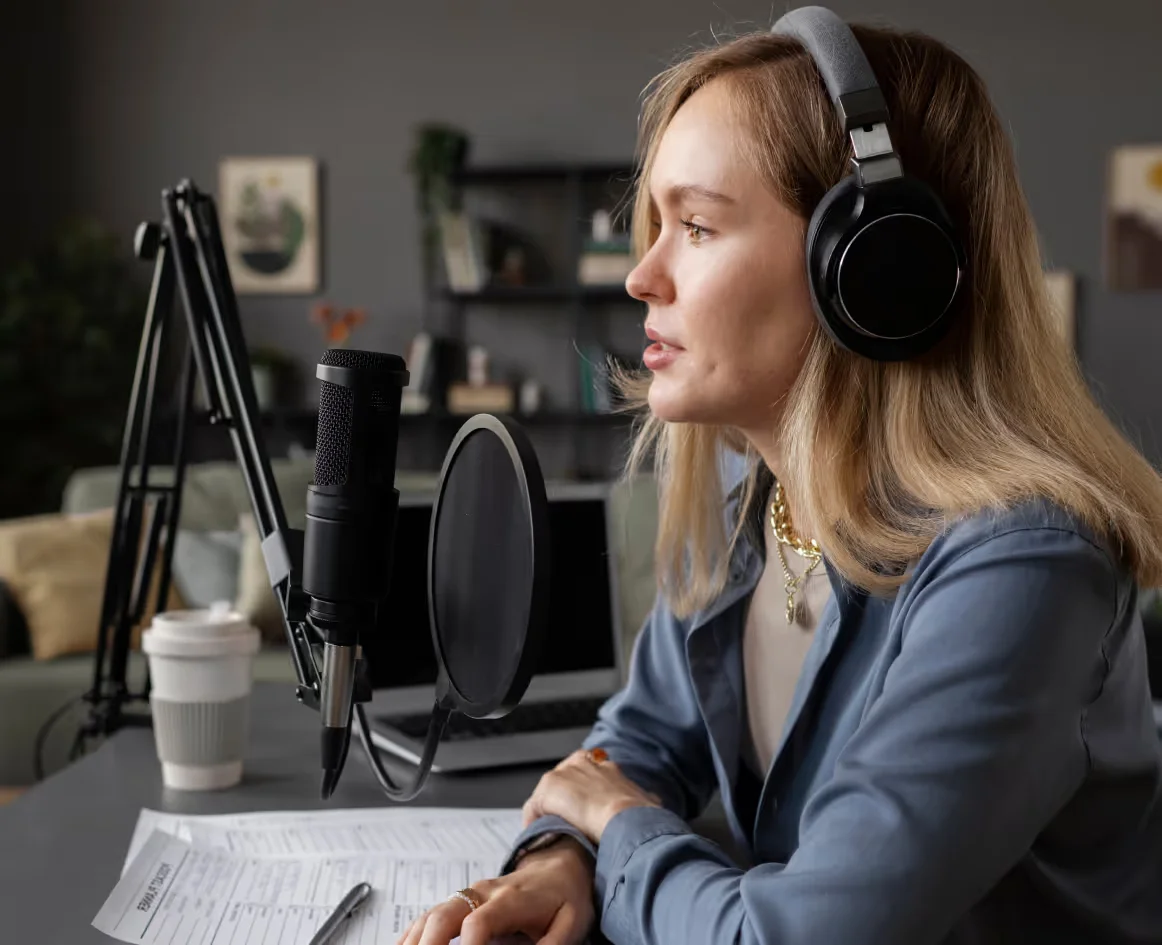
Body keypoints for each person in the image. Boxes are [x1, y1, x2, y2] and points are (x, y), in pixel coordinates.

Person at [400, 10, 1162, 945]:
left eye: (696, 225)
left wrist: (622, 832)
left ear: (876, 269)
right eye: (654, 226)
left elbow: (791, 937)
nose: (642, 275)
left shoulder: (1024, 571)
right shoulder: (754, 503)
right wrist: (562, 857)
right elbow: (634, 740)